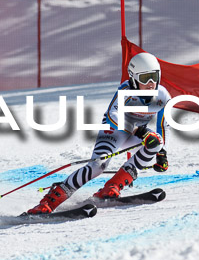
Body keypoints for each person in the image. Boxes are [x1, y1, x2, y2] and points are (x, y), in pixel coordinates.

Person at [27, 52, 171, 214]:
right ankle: (48, 203)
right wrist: (140, 131)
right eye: (145, 78)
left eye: (154, 77)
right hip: (114, 130)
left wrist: (161, 153)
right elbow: (113, 115)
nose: (151, 83)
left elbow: (161, 126)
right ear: (134, 78)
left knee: (156, 142)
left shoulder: (163, 95)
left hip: (137, 135)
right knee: (98, 166)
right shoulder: (125, 91)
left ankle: (112, 188)